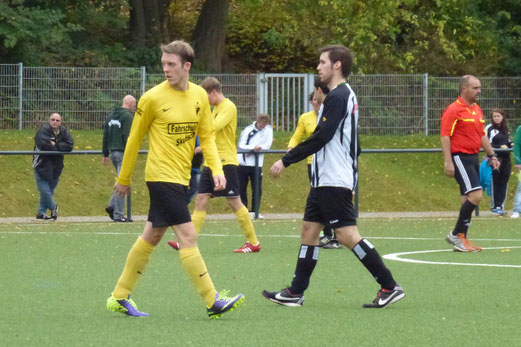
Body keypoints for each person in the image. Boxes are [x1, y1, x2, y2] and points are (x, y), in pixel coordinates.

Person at [105, 40, 244, 319]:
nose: (166, 69)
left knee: (152, 236)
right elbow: (134, 140)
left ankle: (119, 295)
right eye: (164, 64)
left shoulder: (199, 96)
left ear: (187, 66)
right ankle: (212, 300)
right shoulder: (152, 98)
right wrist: (124, 177)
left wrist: (216, 169)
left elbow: (207, 136)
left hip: (181, 178)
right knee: (188, 236)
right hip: (160, 177)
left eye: (171, 64)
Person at [262, 45, 405, 309]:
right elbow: (354, 144)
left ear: (337, 65)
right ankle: (295, 291)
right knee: (309, 231)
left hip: (333, 180)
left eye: (322, 62)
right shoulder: (340, 97)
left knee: (347, 235)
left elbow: (322, 136)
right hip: (324, 181)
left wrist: (286, 159)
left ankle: (389, 285)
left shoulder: (339, 96)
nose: (318, 67)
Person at [170, 77, 261, 254]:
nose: (206, 101)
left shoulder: (228, 107)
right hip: (211, 163)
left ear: (213, 92)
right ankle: (188, 241)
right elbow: (207, 132)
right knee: (201, 200)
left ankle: (253, 242)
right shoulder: (216, 109)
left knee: (234, 201)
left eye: (206, 97)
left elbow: (212, 127)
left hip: (225, 162)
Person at [441, 75, 500, 252]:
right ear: (464, 89)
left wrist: (492, 155)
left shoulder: (477, 110)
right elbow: (445, 136)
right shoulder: (453, 110)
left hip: (473, 157)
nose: (479, 91)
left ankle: (461, 240)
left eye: (479, 87)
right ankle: (456, 234)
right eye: (475, 88)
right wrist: (448, 161)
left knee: (466, 198)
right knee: (476, 196)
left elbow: (482, 135)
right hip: (460, 157)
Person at [288, 82, 343, 249]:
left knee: (327, 198)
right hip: (313, 163)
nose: (316, 102)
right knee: (318, 198)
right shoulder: (305, 118)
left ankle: (333, 234)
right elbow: (297, 136)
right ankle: (327, 234)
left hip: (329, 164)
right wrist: (291, 148)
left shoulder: (330, 114)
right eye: (313, 100)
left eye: (318, 100)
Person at [32, 113, 74, 220]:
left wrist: (56, 144)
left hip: (56, 166)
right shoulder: (43, 131)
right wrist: (59, 147)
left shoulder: (64, 132)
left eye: (57, 120)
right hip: (41, 165)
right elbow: (44, 145)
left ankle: (41, 213)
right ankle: (53, 207)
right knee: (44, 190)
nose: (55, 122)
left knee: (49, 191)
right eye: (53, 120)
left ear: (61, 122)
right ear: (49, 120)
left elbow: (69, 145)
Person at [102, 95, 136, 222]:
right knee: (124, 182)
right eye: (134, 104)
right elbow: (127, 136)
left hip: (112, 152)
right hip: (122, 152)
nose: (135, 106)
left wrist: (105, 153)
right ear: (129, 103)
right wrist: (130, 153)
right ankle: (119, 215)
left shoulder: (111, 116)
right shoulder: (127, 116)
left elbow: (106, 135)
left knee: (121, 180)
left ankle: (112, 205)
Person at [237, 113, 273, 218]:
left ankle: (255, 212)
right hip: (243, 163)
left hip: (257, 164)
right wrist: (252, 148)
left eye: (264, 125)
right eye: (261, 124)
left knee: (257, 188)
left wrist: (259, 148)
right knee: (242, 188)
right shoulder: (248, 130)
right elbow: (241, 145)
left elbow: (267, 145)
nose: (262, 127)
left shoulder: (268, 130)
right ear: (257, 121)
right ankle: (244, 212)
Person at [484, 108, 513, 215]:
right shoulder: (489, 128)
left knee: (504, 183)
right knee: (495, 182)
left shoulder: (505, 129)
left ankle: (500, 206)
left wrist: (511, 144)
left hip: (506, 160)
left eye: (498, 116)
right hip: (495, 159)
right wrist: (498, 147)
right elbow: (487, 143)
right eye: (494, 116)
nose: (496, 118)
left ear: (502, 117)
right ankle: (495, 206)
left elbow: (508, 141)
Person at [187, 136, 204, 203]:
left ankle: (180, 206)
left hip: (195, 167)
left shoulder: (201, 134)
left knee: (195, 188)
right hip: (186, 166)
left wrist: (201, 148)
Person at [511, 124, 521, 219]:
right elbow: (517, 146)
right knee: (520, 188)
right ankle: (517, 210)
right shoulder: (520, 129)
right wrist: (517, 162)